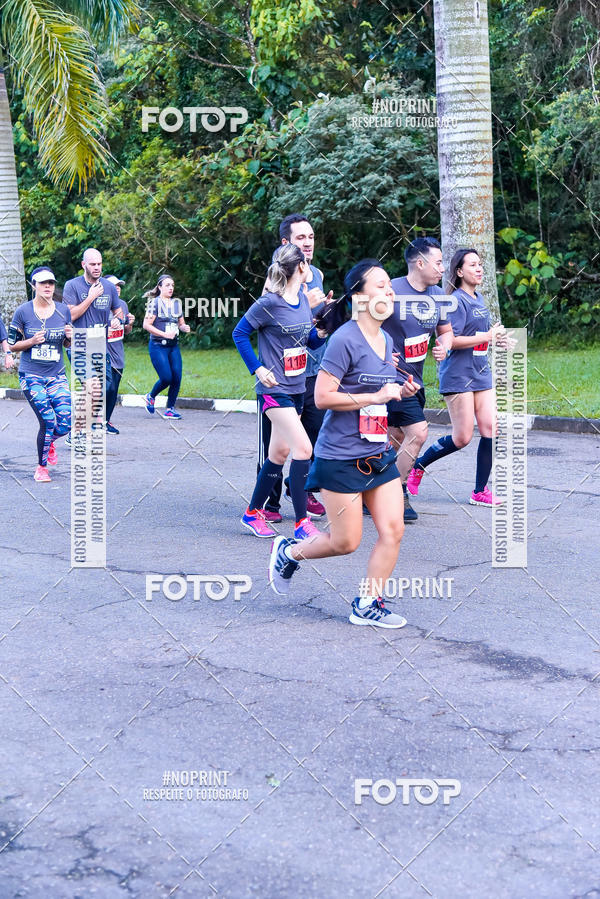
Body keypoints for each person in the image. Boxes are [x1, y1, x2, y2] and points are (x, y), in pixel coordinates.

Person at [268, 259, 421, 628]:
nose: (390, 291)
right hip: (340, 457)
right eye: (381, 285)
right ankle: (289, 552)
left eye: (390, 286)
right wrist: (376, 395)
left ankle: (367, 603)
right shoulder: (344, 340)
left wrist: (398, 391)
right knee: (345, 542)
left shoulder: (385, 339)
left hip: (377, 453)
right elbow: (322, 397)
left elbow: (377, 391)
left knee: (393, 530)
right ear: (359, 296)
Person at [233, 243, 325, 540]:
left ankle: (252, 514)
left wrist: (322, 332)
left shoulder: (301, 300)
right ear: (301, 267)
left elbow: (307, 341)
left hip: (297, 387)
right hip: (274, 390)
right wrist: (258, 368)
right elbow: (239, 333)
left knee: (279, 453)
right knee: (304, 449)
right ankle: (301, 523)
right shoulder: (269, 303)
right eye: (307, 262)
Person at [406, 248, 507, 506]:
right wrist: (487, 336)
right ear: (459, 271)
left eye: (480, 264)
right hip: (459, 375)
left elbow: (479, 336)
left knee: (491, 428)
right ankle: (418, 466)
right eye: (472, 265)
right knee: (462, 438)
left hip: (481, 372)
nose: (479, 268)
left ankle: (480, 491)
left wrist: (496, 340)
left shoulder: (479, 298)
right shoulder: (455, 301)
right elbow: (452, 339)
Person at [259, 214, 333, 523]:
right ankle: (268, 503)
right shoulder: (275, 276)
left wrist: (326, 315)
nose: (308, 242)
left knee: (313, 437)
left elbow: (312, 323)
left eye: (311, 236)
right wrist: (307, 302)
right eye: (301, 237)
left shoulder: (316, 274)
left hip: (312, 369)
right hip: (278, 375)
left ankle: (299, 487)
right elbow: (268, 318)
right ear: (285, 243)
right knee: (275, 445)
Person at [382, 236, 453, 523]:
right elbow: (361, 327)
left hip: (416, 381)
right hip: (389, 379)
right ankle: (397, 492)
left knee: (396, 437)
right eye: (438, 263)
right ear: (420, 263)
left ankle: (371, 488)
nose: (442, 269)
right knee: (418, 433)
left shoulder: (438, 295)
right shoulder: (390, 290)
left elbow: (446, 332)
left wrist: (444, 346)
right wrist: (381, 353)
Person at [8, 267, 72, 482]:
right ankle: (41, 468)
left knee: (66, 422)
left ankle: (48, 440)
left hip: (57, 375)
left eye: (51, 283)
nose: (47, 286)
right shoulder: (23, 312)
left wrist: (70, 338)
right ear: (33, 285)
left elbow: (66, 343)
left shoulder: (63, 311)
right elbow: (11, 345)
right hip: (31, 375)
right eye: (43, 283)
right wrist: (31, 341)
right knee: (48, 420)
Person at [62, 248, 122, 443]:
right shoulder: (72, 286)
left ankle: (77, 429)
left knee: (104, 388)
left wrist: (118, 320)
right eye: (93, 264)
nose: (97, 267)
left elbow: (118, 311)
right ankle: (79, 432)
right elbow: (70, 315)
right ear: (84, 265)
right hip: (78, 345)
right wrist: (91, 296)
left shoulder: (109, 287)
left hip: (99, 346)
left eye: (99, 264)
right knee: (93, 387)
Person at [143, 274, 190, 419]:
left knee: (177, 377)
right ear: (159, 287)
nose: (171, 288)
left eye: (172, 285)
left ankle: (170, 409)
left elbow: (180, 323)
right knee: (166, 377)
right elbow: (146, 325)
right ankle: (151, 396)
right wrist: (164, 334)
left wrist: (184, 327)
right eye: (167, 285)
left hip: (173, 346)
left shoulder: (176, 304)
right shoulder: (155, 303)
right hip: (158, 346)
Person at [104, 276, 135, 434]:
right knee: (107, 387)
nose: (117, 288)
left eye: (119, 285)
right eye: (113, 285)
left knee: (114, 389)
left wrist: (130, 323)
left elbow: (126, 331)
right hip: (102, 351)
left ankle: (106, 421)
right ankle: (95, 421)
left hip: (117, 352)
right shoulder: (99, 305)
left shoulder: (122, 305)